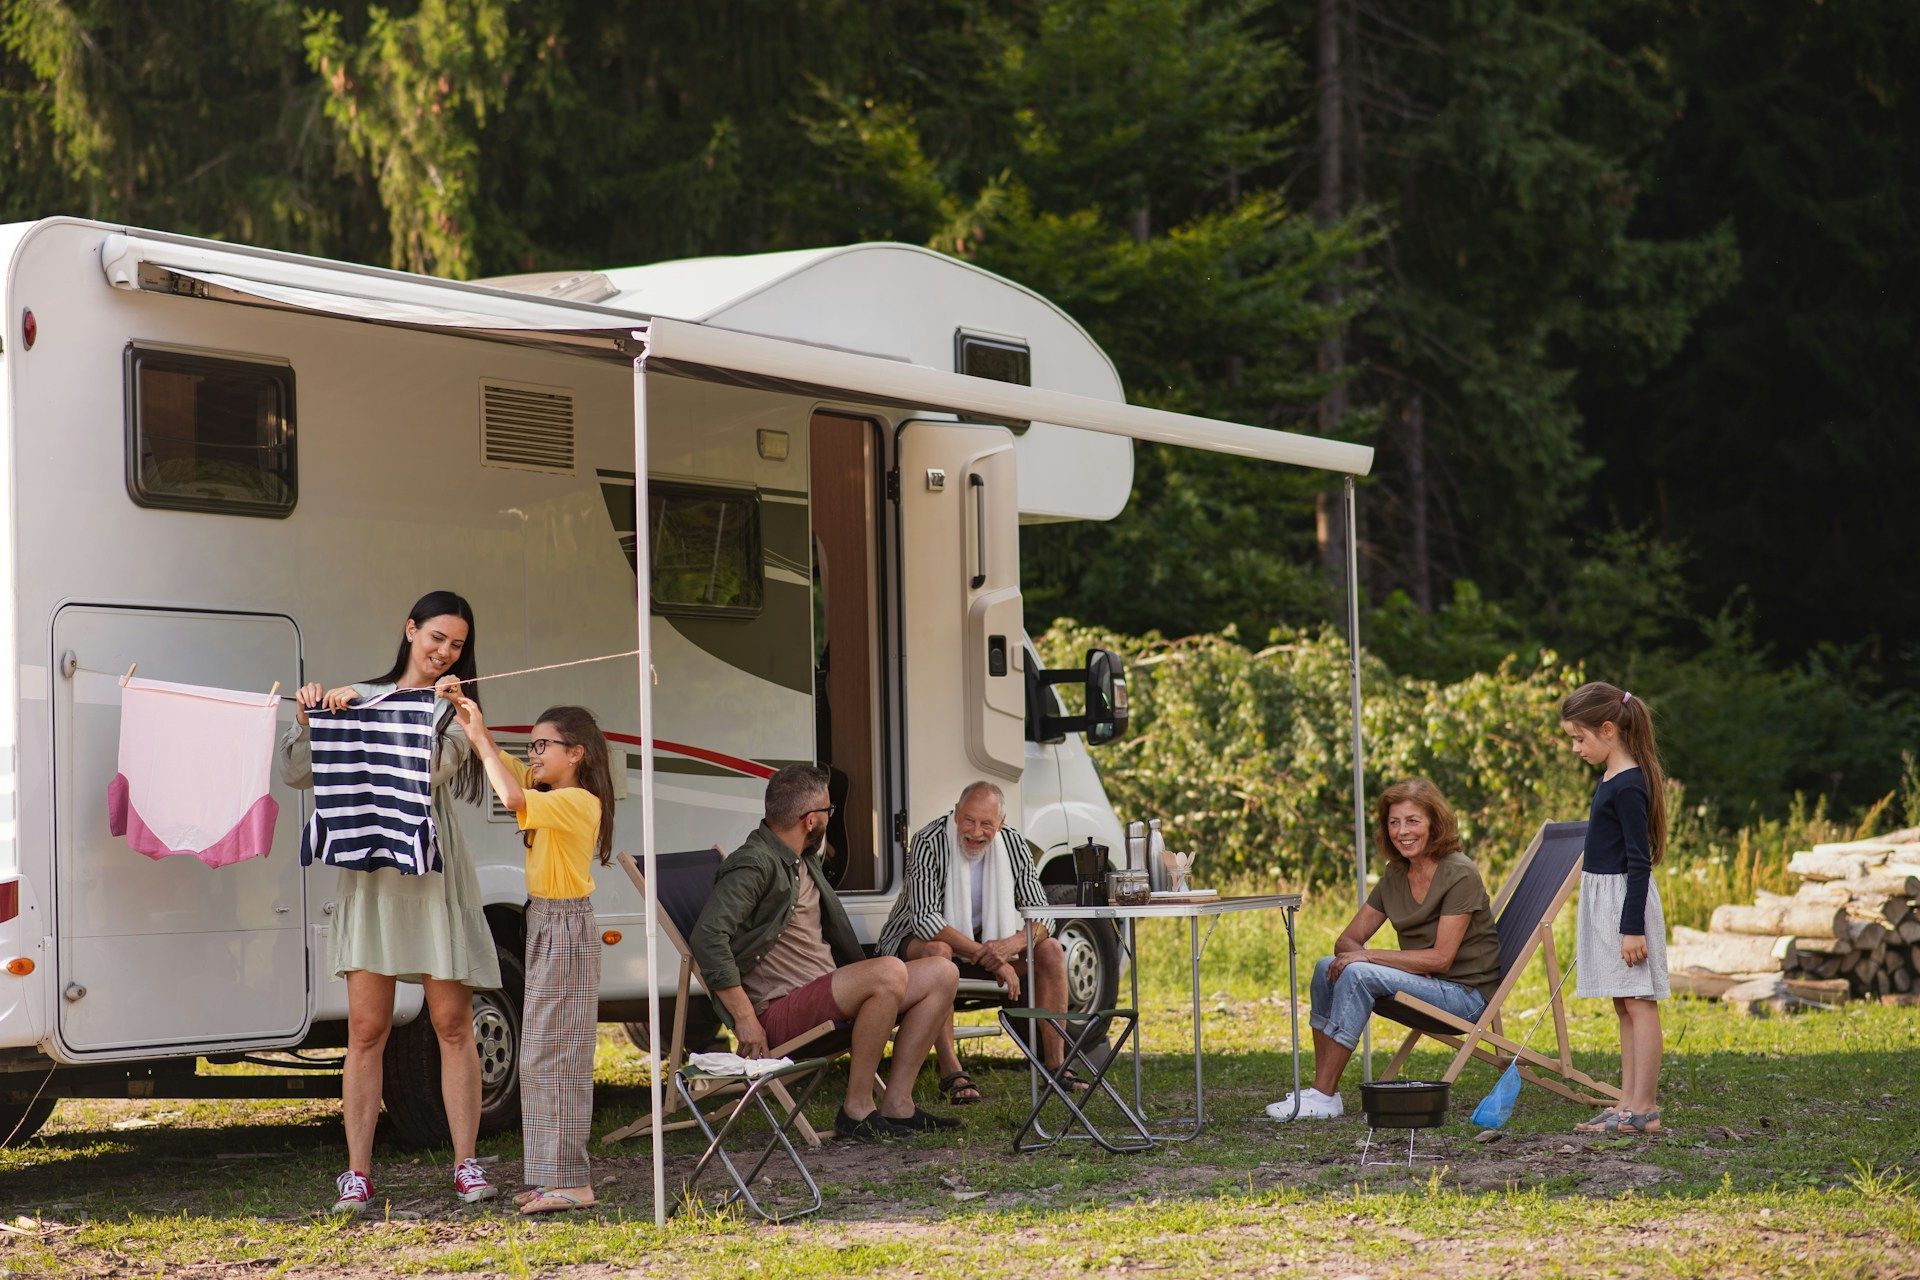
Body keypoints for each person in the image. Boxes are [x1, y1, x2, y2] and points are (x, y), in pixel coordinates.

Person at [279, 590, 503, 1213]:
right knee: (366, 1030)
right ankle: (357, 1172)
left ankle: (466, 1163)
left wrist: (441, 712)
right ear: (410, 630)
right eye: (437, 638)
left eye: (457, 644)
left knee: (453, 1025)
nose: (445, 652)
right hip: (373, 872)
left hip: (431, 871)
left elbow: (435, 770)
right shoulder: (357, 694)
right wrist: (315, 718)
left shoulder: (453, 710)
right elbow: (301, 774)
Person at [690, 765, 962, 1140]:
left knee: (942, 973)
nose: (830, 819)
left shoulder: (800, 857)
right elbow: (707, 939)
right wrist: (744, 1019)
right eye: (829, 812)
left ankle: (897, 1105)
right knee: (888, 973)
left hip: (824, 994)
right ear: (810, 819)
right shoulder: (754, 864)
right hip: (780, 1011)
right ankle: (856, 1108)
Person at [1264, 778, 1501, 1121]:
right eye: (1394, 822)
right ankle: (1322, 1090)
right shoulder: (1396, 874)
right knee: (1324, 966)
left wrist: (1371, 957)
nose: (1402, 831)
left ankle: (1324, 1095)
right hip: (1426, 986)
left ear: (1435, 823)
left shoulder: (1459, 873)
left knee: (1358, 971)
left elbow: (1440, 958)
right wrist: (1376, 959)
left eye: (1412, 821)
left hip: (1465, 997)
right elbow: (1346, 941)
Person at [457, 699, 614, 1214]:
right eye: (534, 744)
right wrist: (471, 721)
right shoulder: (553, 788)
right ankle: (552, 1177)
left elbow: (506, 789)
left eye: (545, 745)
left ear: (577, 753)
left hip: (566, 925)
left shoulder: (578, 800)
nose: (535, 752)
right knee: (540, 1054)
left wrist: (480, 738)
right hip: (546, 920)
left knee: (561, 1054)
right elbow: (504, 763)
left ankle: (573, 1181)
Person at [877, 782, 1074, 1104]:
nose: (976, 832)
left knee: (1050, 949)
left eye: (987, 824)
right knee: (938, 954)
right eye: (968, 820)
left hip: (984, 945)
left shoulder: (1014, 845)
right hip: (914, 941)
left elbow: (1043, 915)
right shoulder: (928, 841)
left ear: (1002, 823)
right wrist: (994, 959)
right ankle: (951, 1070)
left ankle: (1056, 1064)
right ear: (955, 814)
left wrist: (1012, 944)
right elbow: (925, 920)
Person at [1560, 681, 1670, 1135]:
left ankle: (1643, 1109)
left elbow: (1638, 861)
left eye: (1579, 737)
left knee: (1640, 1003)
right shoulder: (1611, 777)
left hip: (1626, 905)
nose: (1574, 748)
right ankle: (1626, 1101)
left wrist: (1632, 929)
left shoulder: (1628, 785)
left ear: (1608, 729)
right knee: (1623, 1003)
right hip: (1606, 901)